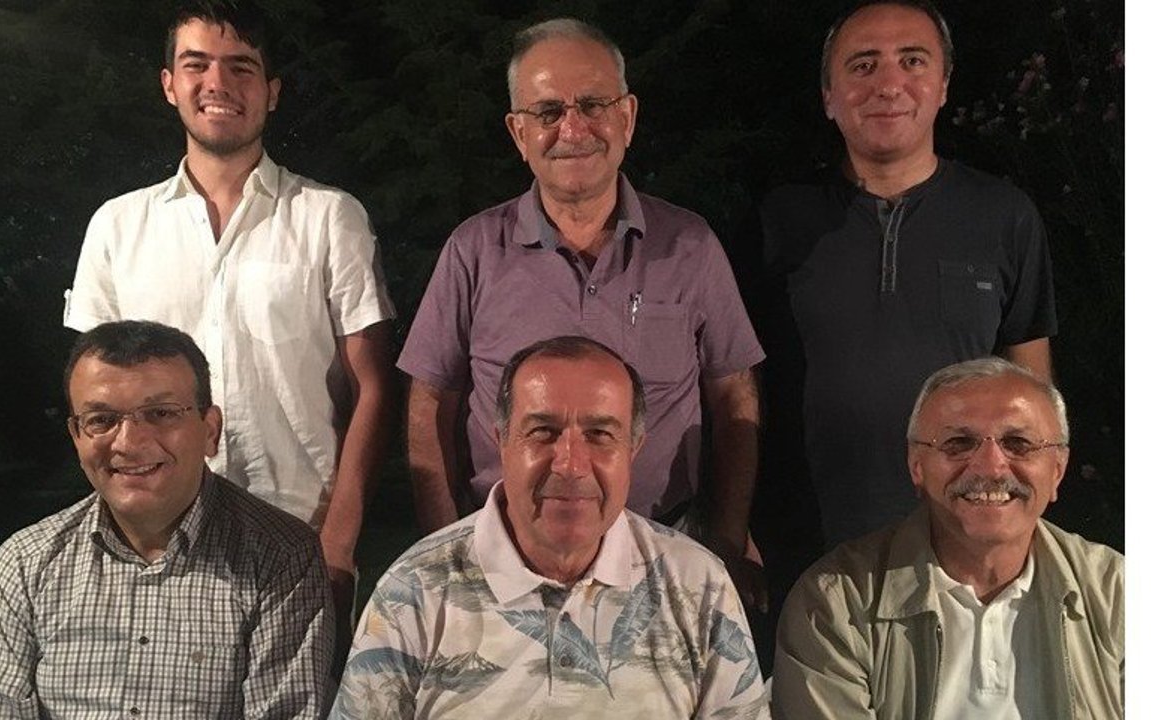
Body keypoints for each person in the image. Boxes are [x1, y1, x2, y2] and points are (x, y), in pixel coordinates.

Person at [397, 17, 767, 608]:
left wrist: (725, 540)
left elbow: (735, 398)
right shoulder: (474, 250)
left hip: (663, 560)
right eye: (548, 112)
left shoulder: (691, 246)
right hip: (504, 568)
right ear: (519, 133)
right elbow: (428, 405)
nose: (573, 128)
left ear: (628, 118)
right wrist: (446, 548)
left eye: (594, 105)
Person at [62, 0, 395, 646]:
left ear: (272, 91)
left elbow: (374, 387)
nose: (218, 83)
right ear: (169, 84)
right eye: (197, 65)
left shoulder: (330, 217)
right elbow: (90, 397)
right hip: (154, 539)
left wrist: (339, 541)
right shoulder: (117, 227)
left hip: (297, 529)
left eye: (241, 67)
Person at [333, 336, 769, 718]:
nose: (570, 464)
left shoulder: (698, 586)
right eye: (543, 431)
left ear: (634, 449)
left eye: (600, 435)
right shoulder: (413, 592)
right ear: (501, 440)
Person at [758, 0, 1057, 550]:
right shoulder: (777, 220)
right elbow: (737, 386)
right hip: (805, 538)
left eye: (913, 61)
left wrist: (1027, 510)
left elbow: (1032, 389)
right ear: (829, 96)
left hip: (963, 536)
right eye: (863, 65)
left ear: (943, 85)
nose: (889, 84)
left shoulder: (1004, 216)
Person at [0, 320, 334, 719]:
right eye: (101, 419)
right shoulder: (25, 563)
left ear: (210, 431)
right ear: (76, 437)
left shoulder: (280, 559)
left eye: (161, 413)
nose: (130, 442)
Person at [771, 357, 1122, 719]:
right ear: (917, 467)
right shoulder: (837, 604)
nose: (990, 466)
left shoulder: (1116, 592)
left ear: (1058, 471)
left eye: (1018, 443)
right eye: (959, 443)